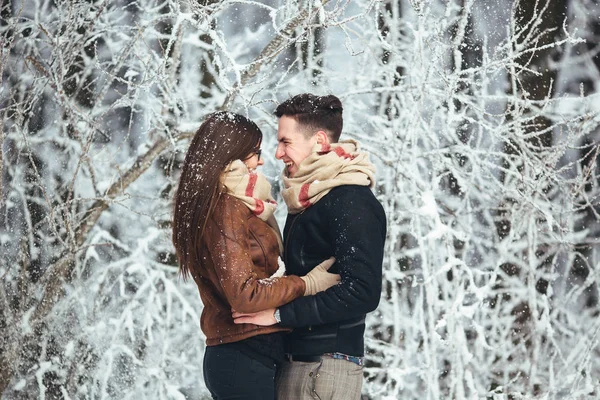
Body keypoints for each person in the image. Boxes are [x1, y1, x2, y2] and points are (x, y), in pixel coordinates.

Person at [172, 111, 340, 400]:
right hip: (242, 357)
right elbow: (244, 295)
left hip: (249, 355)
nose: (262, 161)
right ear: (232, 155)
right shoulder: (226, 207)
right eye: (254, 153)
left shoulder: (230, 203)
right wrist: (306, 283)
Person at [233, 94, 387, 399]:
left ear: (318, 141)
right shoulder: (309, 198)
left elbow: (363, 292)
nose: (278, 153)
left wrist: (280, 315)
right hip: (303, 364)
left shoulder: (349, 200)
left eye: (286, 142)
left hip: (324, 367)